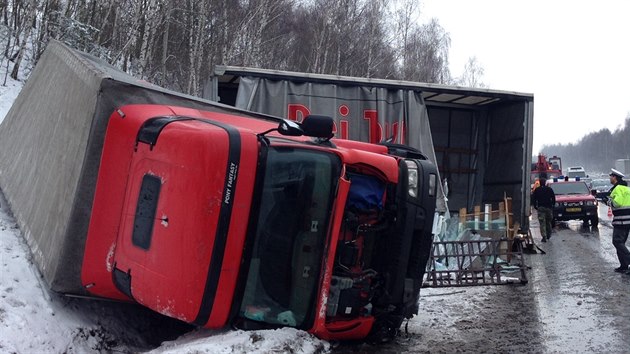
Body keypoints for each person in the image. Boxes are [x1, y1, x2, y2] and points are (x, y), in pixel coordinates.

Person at [608, 168, 630, 274]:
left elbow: (617, 203)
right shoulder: (626, 188)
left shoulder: (617, 189)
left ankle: (627, 262)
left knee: (617, 241)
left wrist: (609, 201)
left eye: (611, 176)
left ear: (615, 178)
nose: (610, 178)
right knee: (621, 242)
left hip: (621, 220)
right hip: (627, 220)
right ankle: (624, 265)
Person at [531, 177, 556, 242]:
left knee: (542, 222)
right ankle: (549, 235)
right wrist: (553, 204)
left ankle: (544, 236)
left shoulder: (537, 190)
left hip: (541, 208)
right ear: (545, 183)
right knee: (548, 222)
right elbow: (553, 197)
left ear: (539, 182)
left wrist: (535, 206)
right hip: (548, 207)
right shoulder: (549, 189)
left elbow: (534, 199)